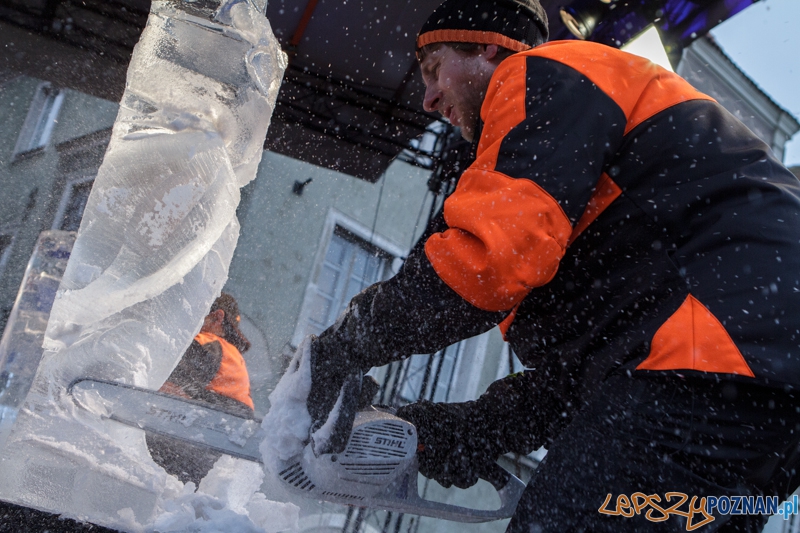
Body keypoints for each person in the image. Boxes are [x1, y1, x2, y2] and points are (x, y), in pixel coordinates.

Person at [303, 0, 800, 531]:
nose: (427, 97)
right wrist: (475, 430)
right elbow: (584, 370)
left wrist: (345, 343)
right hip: (758, 389)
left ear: (485, 45)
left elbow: (485, 266)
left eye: (434, 68)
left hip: (724, 353)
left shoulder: (543, 73)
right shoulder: (572, 172)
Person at [147, 292, 254, 485]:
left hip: (183, 448)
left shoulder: (208, 343)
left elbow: (166, 392)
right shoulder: (234, 358)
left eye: (197, 312)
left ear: (217, 317)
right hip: (206, 460)